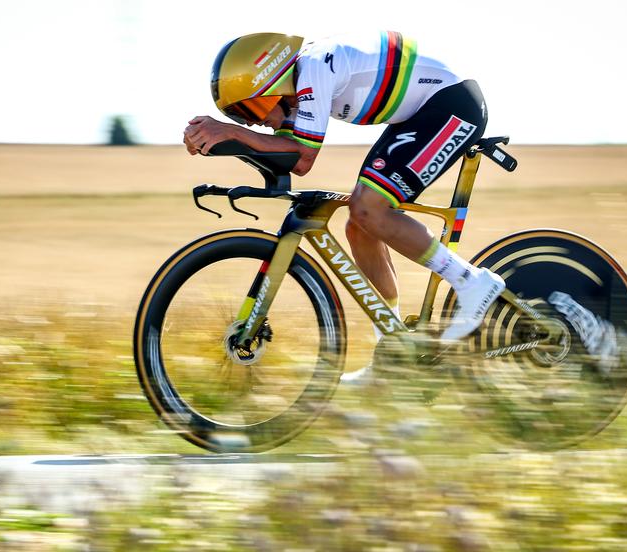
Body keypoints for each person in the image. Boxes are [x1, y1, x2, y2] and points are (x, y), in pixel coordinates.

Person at [184, 32, 505, 381]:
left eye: (251, 108)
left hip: (452, 106)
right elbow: (280, 152)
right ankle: (394, 347)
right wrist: (222, 139)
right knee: (359, 222)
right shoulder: (297, 87)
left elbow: (302, 159)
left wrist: (230, 132)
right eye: (239, 115)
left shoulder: (314, 69)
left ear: (272, 81)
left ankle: (472, 282)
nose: (252, 121)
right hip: (419, 115)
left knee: (369, 209)